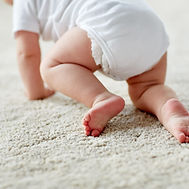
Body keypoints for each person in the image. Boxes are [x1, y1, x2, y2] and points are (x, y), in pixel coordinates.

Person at [5, 0, 189, 143]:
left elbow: (26, 53)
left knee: (51, 66)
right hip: (151, 28)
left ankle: (101, 98)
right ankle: (168, 109)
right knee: (148, 87)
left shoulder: (23, 2)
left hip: (106, 26)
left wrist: (35, 91)